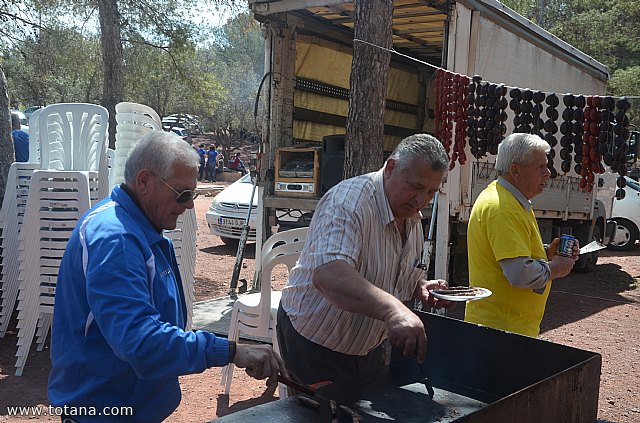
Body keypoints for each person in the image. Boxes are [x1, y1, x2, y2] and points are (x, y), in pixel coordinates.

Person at [48, 131, 283, 422]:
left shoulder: (141, 231)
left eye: (193, 195)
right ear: (144, 181)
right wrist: (230, 351)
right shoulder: (117, 240)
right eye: (183, 193)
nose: (188, 205)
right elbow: (141, 343)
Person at [277, 133, 453, 386]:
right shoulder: (348, 202)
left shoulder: (410, 212)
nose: (421, 200)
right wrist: (394, 310)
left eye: (431, 192)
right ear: (391, 168)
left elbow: (390, 271)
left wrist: (419, 286)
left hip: (367, 347)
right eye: (415, 187)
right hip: (315, 342)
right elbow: (329, 274)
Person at [464, 133, 578, 337]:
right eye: (541, 167)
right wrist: (558, 267)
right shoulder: (504, 207)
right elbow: (520, 274)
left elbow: (507, 256)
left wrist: (545, 253)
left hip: (505, 327)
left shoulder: (508, 200)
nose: (548, 173)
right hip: (502, 330)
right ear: (515, 170)